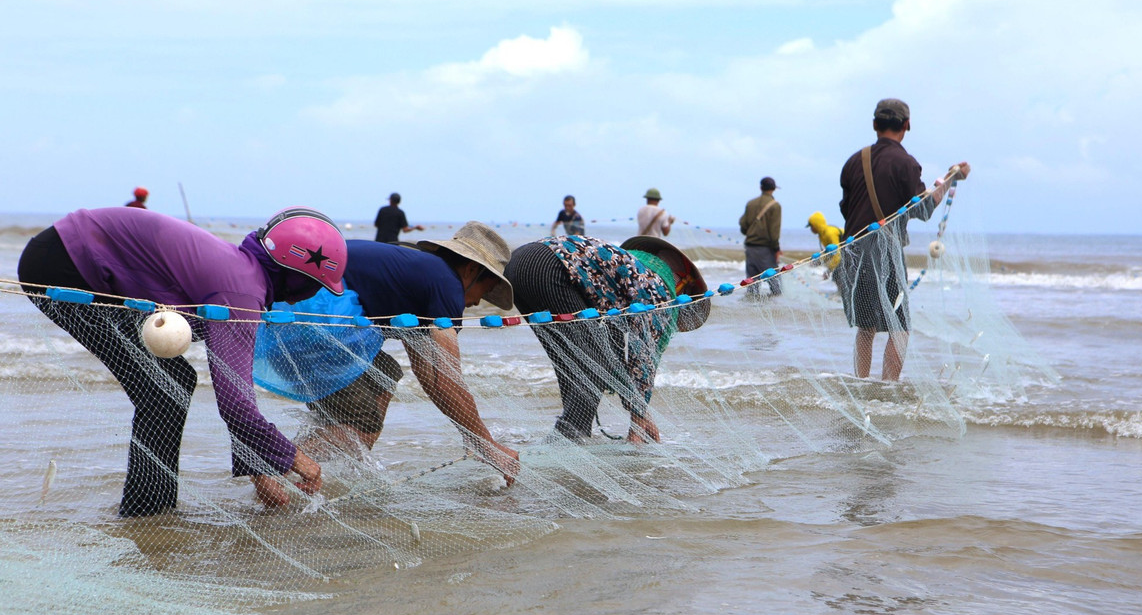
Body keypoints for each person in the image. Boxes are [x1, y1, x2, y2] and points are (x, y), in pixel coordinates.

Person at [17, 206, 348, 516]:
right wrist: (294, 458)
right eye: (316, 285)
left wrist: (260, 467)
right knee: (162, 389)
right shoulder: (241, 293)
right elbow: (235, 403)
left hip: (64, 253)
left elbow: (235, 392)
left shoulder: (241, 273)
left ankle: (152, 509)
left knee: (172, 382)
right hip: (65, 263)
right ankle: (146, 515)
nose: (311, 295)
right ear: (295, 275)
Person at [254, 223, 520, 484]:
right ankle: (272, 466)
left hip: (292, 323)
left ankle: (301, 465)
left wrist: (473, 436)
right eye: (484, 291)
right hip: (314, 326)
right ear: (471, 268)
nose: (475, 303)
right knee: (361, 426)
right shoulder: (446, 283)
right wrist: (487, 445)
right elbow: (447, 378)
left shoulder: (418, 268)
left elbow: (430, 375)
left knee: (384, 374)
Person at [504, 233, 709, 443]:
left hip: (520, 263)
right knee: (593, 363)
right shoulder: (656, 289)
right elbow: (644, 356)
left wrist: (639, 411)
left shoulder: (622, 282)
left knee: (571, 364)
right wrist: (638, 418)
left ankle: (573, 438)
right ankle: (569, 443)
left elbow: (617, 353)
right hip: (549, 266)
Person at [838, 98, 971, 380]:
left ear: (875, 124)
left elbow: (845, 208)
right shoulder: (905, 163)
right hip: (886, 255)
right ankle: (888, 389)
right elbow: (921, 209)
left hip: (852, 254)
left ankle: (861, 383)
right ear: (907, 125)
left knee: (866, 327)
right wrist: (948, 180)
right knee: (899, 327)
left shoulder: (853, 162)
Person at [738, 177, 783, 296]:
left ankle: (751, 312)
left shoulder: (750, 203)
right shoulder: (775, 206)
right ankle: (777, 311)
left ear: (761, 188)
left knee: (752, 288)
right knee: (776, 287)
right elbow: (774, 232)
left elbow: (743, 225)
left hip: (750, 249)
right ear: (773, 189)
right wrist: (776, 249)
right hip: (766, 250)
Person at [807, 211, 845, 293]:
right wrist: (819, 262)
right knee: (837, 276)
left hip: (847, 252)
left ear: (816, 225)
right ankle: (841, 294)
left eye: (811, 226)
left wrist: (829, 270)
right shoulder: (822, 235)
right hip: (843, 254)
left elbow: (837, 254)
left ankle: (842, 294)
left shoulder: (829, 233)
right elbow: (829, 254)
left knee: (838, 275)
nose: (811, 229)